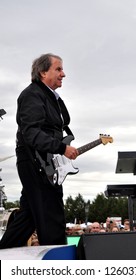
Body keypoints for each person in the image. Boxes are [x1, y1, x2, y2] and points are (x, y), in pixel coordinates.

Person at [0, 53, 78, 249]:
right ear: (43, 72)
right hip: (37, 163)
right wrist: (61, 147)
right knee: (51, 218)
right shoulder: (32, 95)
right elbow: (31, 132)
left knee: (29, 217)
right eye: (58, 69)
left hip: (42, 163)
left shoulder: (49, 97)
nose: (64, 74)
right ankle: (59, 266)